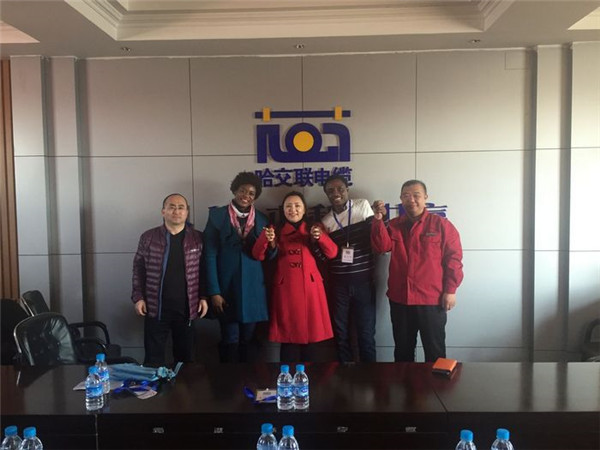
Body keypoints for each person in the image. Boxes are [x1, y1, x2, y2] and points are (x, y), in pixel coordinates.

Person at [371, 180, 463, 362]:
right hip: (401, 299)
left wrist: (451, 290)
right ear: (401, 199)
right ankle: (406, 382)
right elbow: (381, 247)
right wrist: (379, 220)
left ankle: (437, 382)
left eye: (416, 195)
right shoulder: (394, 225)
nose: (411, 200)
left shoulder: (441, 225)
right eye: (406, 196)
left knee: (435, 352)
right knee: (403, 352)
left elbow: (454, 259)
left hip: (432, 299)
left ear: (425, 197)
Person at [252, 191, 337, 362]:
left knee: (312, 339)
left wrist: (320, 238)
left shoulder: (314, 229)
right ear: (283, 210)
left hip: (311, 289)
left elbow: (332, 253)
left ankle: (309, 376)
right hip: (286, 290)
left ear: (304, 209)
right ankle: (287, 376)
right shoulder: (274, 230)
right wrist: (265, 239)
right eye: (288, 206)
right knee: (288, 338)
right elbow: (257, 255)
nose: (293, 210)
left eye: (297, 206)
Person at [131, 193, 208, 367]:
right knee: (153, 359)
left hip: (187, 307)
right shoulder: (148, 237)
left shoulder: (198, 238)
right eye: (171, 207)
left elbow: (204, 270)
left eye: (181, 207)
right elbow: (138, 269)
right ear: (163, 211)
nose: (176, 211)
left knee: (186, 360)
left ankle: (183, 386)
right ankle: (155, 386)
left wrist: (203, 297)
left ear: (187, 212)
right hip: (155, 307)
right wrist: (138, 297)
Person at [203, 172, 269, 363]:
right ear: (234, 190)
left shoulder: (262, 219)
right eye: (242, 190)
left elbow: (268, 256)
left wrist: (272, 245)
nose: (246, 195)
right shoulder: (217, 216)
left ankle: (249, 379)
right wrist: (214, 291)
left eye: (251, 193)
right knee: (230, 340)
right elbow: (209, 255)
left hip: (254, 289)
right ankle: (229, 381)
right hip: (226, 288)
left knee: (249, 340)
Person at [321, 175, 377, 362]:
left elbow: (376, 238)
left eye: (340, 189)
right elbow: (326, 255)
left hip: (364, 283)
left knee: (366, 334)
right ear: (326, 194)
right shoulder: (326, 221)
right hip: (339, 286)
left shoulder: (362, 206)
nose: (336, 193)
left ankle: (369, 375)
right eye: (330, 191)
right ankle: (344, 374)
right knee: (341, 334)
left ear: (347, 189)